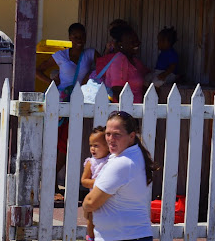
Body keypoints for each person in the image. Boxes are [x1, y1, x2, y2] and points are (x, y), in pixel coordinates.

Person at [35, 23, 98, 204]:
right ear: (70, 37)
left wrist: (90, 77)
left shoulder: (90, 54)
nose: (79, 40)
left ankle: (50, 180)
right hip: (59, 101)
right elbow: (37, 69)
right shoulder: (61, 55)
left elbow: (103, 65)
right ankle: (50, 183)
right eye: (76, 37)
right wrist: (51, 83)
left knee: (64, 144)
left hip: (78, 102)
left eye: (82, 37)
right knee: (53, 142)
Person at [82, 111, 159, 241]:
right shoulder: (133, 154)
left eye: (117, 135)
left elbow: (91, 202)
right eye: (108, 134)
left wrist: (85, 208)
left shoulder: (122, 163)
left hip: (124, 236)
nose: (110, 139)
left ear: (131, 136)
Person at [104, 25, 149, 103]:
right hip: (125, 111)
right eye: (132, 41)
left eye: (137, 40)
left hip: (137, 111)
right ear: (121, 44)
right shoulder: (119, 60)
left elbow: (149, 75)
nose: (137, 44)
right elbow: (118, 92)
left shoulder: (135, 62)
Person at [81, 126, 110, 241]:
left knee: (106, 219)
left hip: (107, 197)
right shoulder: (91, 162)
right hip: (94, 196)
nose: (92, 149)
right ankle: (91, 237)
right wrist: (99, 183)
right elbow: (84, 181)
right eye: (91, 145)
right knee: (91, 218)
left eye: (96, 145)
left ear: (107, 146)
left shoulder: (111, 159)